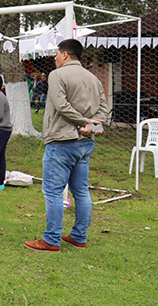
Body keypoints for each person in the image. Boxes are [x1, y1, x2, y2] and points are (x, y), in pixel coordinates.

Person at [25, 39, 108, 253]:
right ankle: (79, 236)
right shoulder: (94, 79)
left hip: (62, 142)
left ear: (64, 54)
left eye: (56, 54)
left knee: (53, 191)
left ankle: (51, 239)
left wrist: (82, 122)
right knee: (81, 190)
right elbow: (104, 111)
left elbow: (61, 106)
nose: (54, 58)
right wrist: (90, 126)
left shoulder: (57, 75)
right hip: (85, 143)